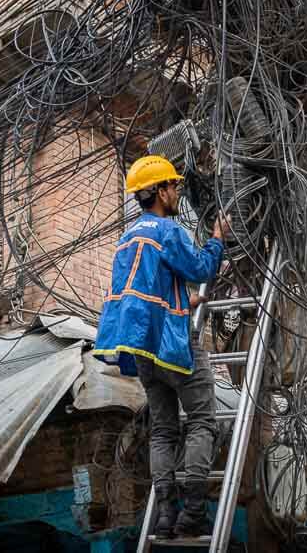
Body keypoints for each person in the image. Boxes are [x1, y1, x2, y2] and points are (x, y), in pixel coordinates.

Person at [93, 155, 230, 538]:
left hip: (144, 353)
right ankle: (194, 511)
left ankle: (167, 515)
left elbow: (143, 295)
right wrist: (217, 240)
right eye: (173, 186)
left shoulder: (126, 239)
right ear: (159, 191)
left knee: (164, 432)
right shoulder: (168, 231)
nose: (177, 192)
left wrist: (186, 302)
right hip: (175, 346)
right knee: (203, 422)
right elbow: (201, 269)